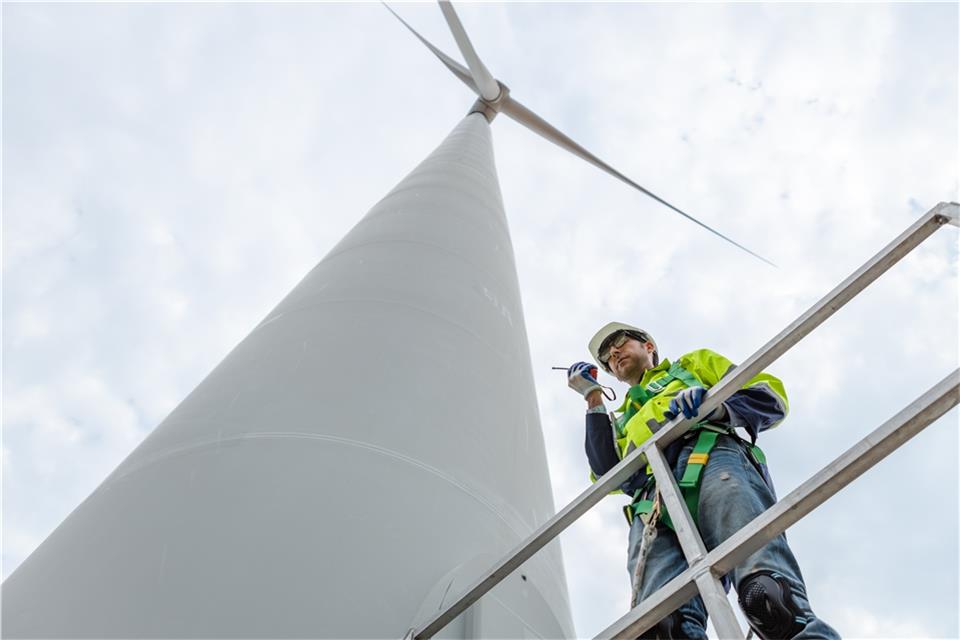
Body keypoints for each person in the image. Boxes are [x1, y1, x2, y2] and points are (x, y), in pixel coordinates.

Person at [567, 322, 839, 640]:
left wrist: (719, 406)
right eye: (607, 357)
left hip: (712, 459)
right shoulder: (625, 417)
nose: (613, 354)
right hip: (652, 502)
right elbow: (605, 472)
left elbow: (770, 397)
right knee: (660, 626)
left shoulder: (692, 365)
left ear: (648, 346)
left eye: (619, 343)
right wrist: (593, 397)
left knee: (766, 597)